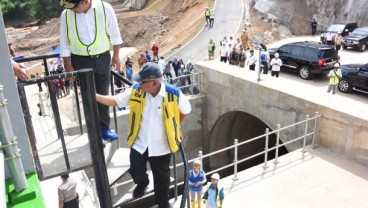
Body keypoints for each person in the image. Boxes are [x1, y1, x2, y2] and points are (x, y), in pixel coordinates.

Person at [95, 62, 191, 208]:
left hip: (162, 146)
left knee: (162, 179)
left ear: (153, 83)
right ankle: (143, 183)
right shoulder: (136, 90)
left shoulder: (174, 93)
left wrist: (176, 127)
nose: (139, 83)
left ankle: (163, 203)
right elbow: (116, 100)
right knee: (135, 168)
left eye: (142, 81)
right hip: (140, 143)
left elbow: (186, 110)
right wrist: (95, 96)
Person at [59, 0, 122, 142]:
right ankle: (94, 133)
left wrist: (116, 55)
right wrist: (68, 66)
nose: (73, 10)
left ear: (85, 1)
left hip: (102, 58)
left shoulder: (105, 8)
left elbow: (115, 34)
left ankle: (104, 128)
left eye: (75, 7)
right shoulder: (66, 14)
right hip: (80, 60)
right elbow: (64, 42)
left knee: (103, 94)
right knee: (89, 97)